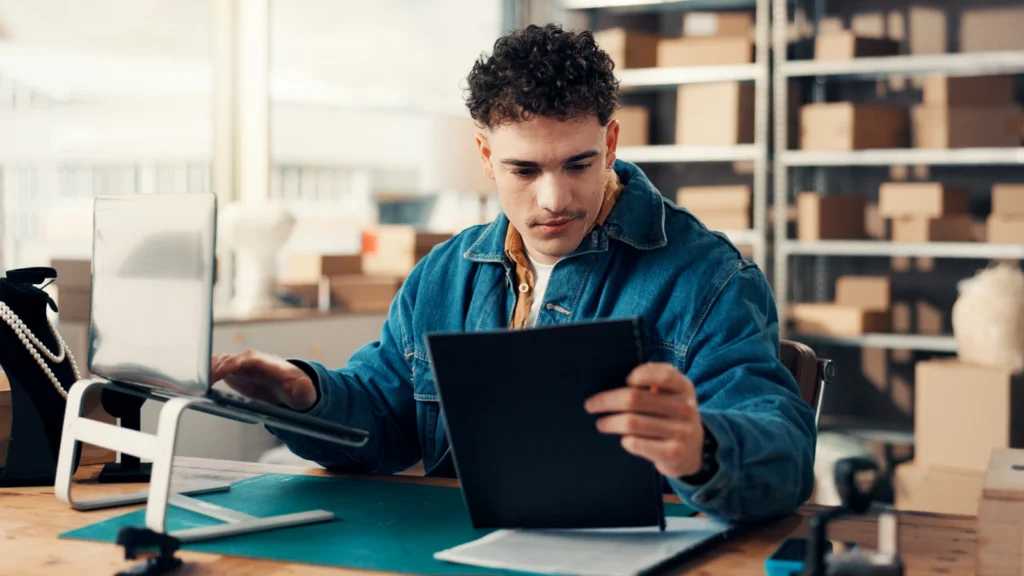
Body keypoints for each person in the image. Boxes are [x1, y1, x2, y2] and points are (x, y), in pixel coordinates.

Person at [212, 23, 815, 523]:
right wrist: (304, 396)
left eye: (578, 163)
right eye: (524, 170)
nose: (554, 198)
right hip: (456, 552)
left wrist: (701, 447)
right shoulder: (442, 275)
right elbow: (382, 421)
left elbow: (784, 451)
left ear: (610, 142)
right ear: (485, 157)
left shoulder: (711, 279)